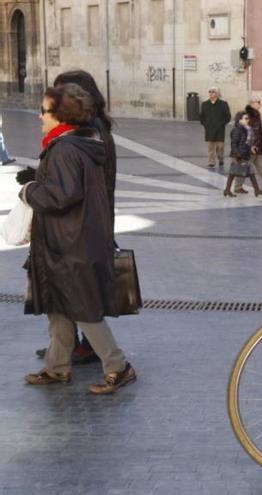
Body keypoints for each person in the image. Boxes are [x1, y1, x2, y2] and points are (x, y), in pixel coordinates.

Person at [17, 83, 136, 394]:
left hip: (72, 242)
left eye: (43, 111)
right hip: (71, 239)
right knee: (59, 306)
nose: (39, 116)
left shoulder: (66, 149)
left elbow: (62, 195)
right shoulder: (79, 143)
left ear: (61, 115)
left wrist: (29, 191)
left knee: (83, 308)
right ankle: (57, 368)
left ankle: (118, 366)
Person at [32, 70, 117, 365]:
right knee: (62, 299)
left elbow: (70, 191)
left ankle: (112, 362)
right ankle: (59, 361)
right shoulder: (85, 135)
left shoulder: (76, 140)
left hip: (76, 230)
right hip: (78, 228)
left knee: (79, 300)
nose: (42, 115)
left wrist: (32, 190)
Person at [224, 111, 262, 197]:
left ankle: (256, 190)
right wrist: (238, 155)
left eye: (248, 118)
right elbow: (233, 144)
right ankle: (227, 190)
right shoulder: (237, 130)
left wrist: (251, 148)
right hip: (238, 156)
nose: (248, 120)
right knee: (233, 173)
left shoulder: (246, 129)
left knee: (248, 172)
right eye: (245, 118)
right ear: (239, 120)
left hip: (245, 154)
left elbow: (246, 143)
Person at [199, 86, 231, 168]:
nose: (211, 93)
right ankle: (211, 162)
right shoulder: (205, 104)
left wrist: (222, 123)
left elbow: (228, 116)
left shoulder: (223, 104)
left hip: (220, 129)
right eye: (210, 91)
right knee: (210, 147)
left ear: (217, 94)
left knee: (220, 147)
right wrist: (205, 124)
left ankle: (220, 158)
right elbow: (201, 116)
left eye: (213, 91)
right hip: (209, 128)